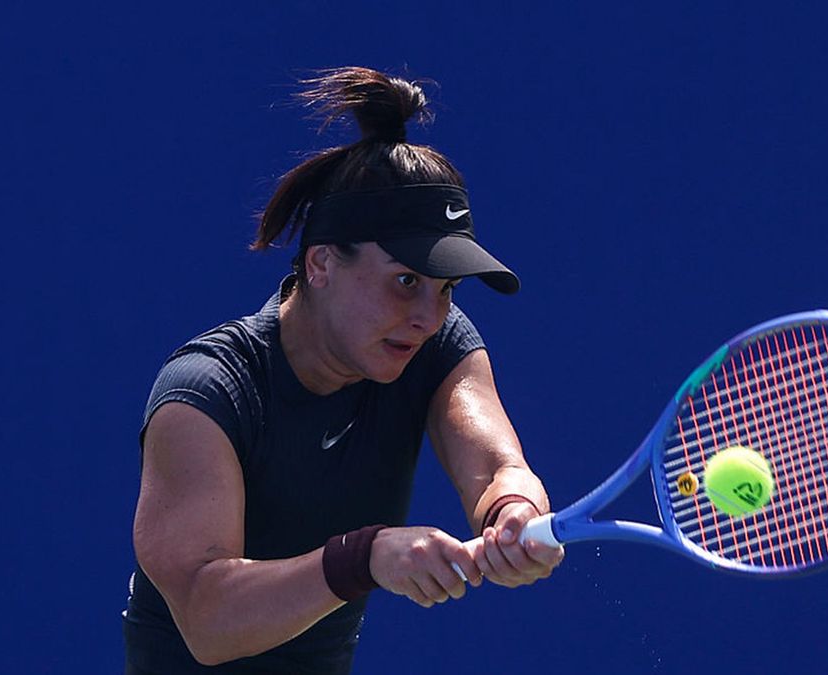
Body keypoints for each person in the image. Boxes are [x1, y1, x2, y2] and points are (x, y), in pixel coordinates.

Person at [123, 67, 564, 673]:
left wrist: (513, 512)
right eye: (406, 281)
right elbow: (207, 618)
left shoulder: (432, 347)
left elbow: (497, 467)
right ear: (322, 264)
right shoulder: (205, 393)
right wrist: (364, 558)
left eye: (446, 289)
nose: (427, 316)